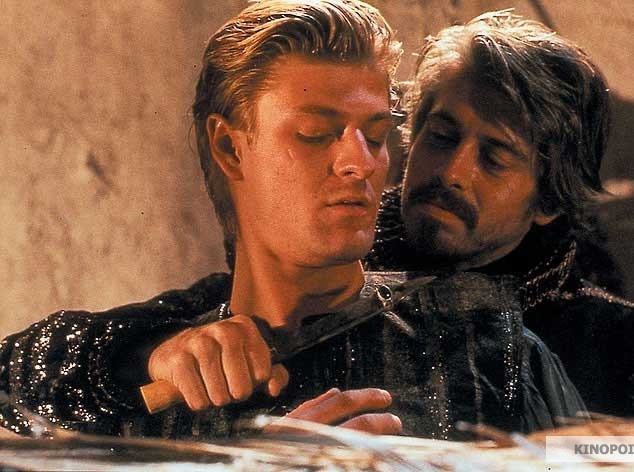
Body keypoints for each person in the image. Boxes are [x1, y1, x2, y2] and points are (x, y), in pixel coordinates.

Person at [0, 3, 588, 441]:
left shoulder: (490, 349)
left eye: (377, 134)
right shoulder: (144, 378)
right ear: (231, 148)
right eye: (315, 133)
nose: (361, 162)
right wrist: (141, 358)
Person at [364, 10, 634, 422]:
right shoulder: (317, 284)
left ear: (549, 200)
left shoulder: (617, 351)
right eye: (442, 136)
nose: (451, 173)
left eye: (494, 159)